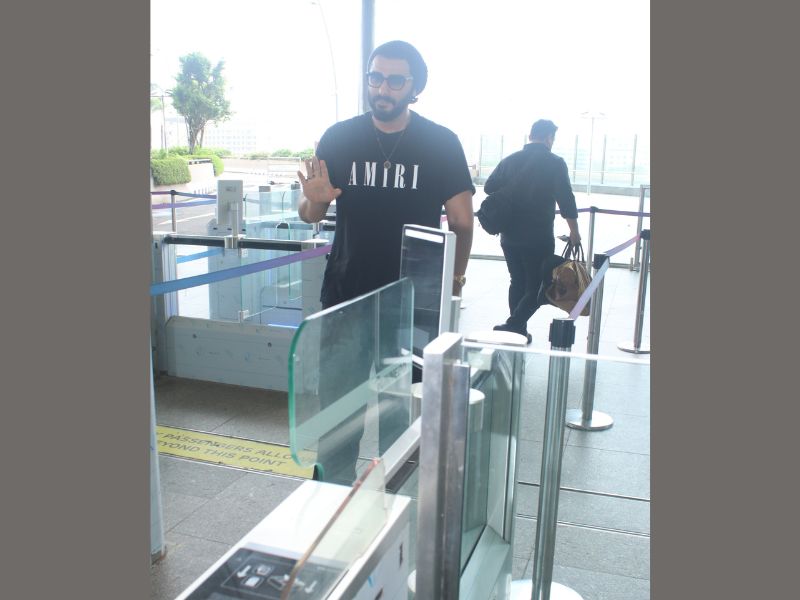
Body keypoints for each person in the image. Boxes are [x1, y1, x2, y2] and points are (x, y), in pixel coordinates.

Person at [296, 40, 475, 485]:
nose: (383, 88)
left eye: (395, 80)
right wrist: (314, 201)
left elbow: (462, 221)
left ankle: (392, 503)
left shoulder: (440, 142)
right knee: (341, 412)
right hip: (346, 297)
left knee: (395, 413)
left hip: (409, 305)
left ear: (415, 87)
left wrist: (453, 280)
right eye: (376, 77)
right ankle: (342, 498)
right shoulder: (339, 137)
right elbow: (312, 212)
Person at [484, 119, 581, 344]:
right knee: (539, 285)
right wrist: (574, 231)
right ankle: (515, 324)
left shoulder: (510, 160)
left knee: (517, 281)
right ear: (549, 138)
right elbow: (566, 199)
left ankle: (517, 329)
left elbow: (489, 187)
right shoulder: (555, 163)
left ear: (530, 136)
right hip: (538, 236)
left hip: (509, 235)